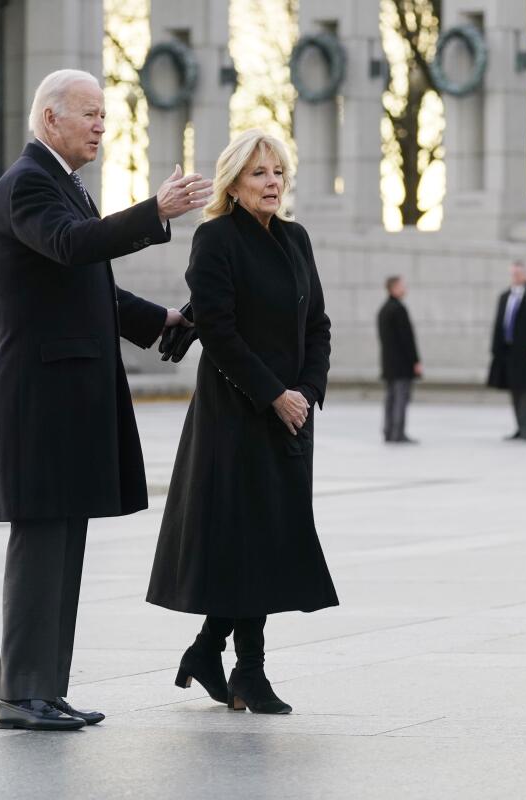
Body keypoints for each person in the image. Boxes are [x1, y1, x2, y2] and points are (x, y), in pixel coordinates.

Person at [0, 69, 210, 731]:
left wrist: (160, 319)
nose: (101, 127)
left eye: (105, 117)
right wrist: (154, 213)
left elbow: (89, 288)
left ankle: (46, 690)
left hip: (66, 396)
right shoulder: (29, 184)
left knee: (65, 544)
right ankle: (21, 694)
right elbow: (73, 246)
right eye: (90, 115)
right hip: (40, 397)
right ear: (50, 118)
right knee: (41, 542)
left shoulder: (64, 186)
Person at [147, 130, 338, 715]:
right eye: (259, 173)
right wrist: (273, 394)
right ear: (233, 183)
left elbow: (318, 327)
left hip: (290, 415)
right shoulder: (215, 239)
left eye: (278, 171)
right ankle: (247, 672)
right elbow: (221, 335)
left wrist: (304, 393)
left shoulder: (295, 238)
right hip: (235, 415)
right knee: (245, 541)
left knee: (267, 541)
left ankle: (208, 651)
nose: (273, 182)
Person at [487, 261, 526, 441]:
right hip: (509, 352)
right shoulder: (505, 296)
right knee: (514, 390)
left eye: (519, 273)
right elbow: (499, 323)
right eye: (513, 274)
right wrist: (496, 349)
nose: (516, 277)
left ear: (525, 274)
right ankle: (518, 426)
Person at [377, 276, 422, 444]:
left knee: (390, 398)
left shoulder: (383, 310)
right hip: (402, 364)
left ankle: (388, 432)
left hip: (388, 363)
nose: (405, 288)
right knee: (400, 399)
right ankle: (398, 433)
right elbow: (407, 339)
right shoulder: (399, 309)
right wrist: (415, 361)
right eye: (402, 286)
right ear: (394, 288)